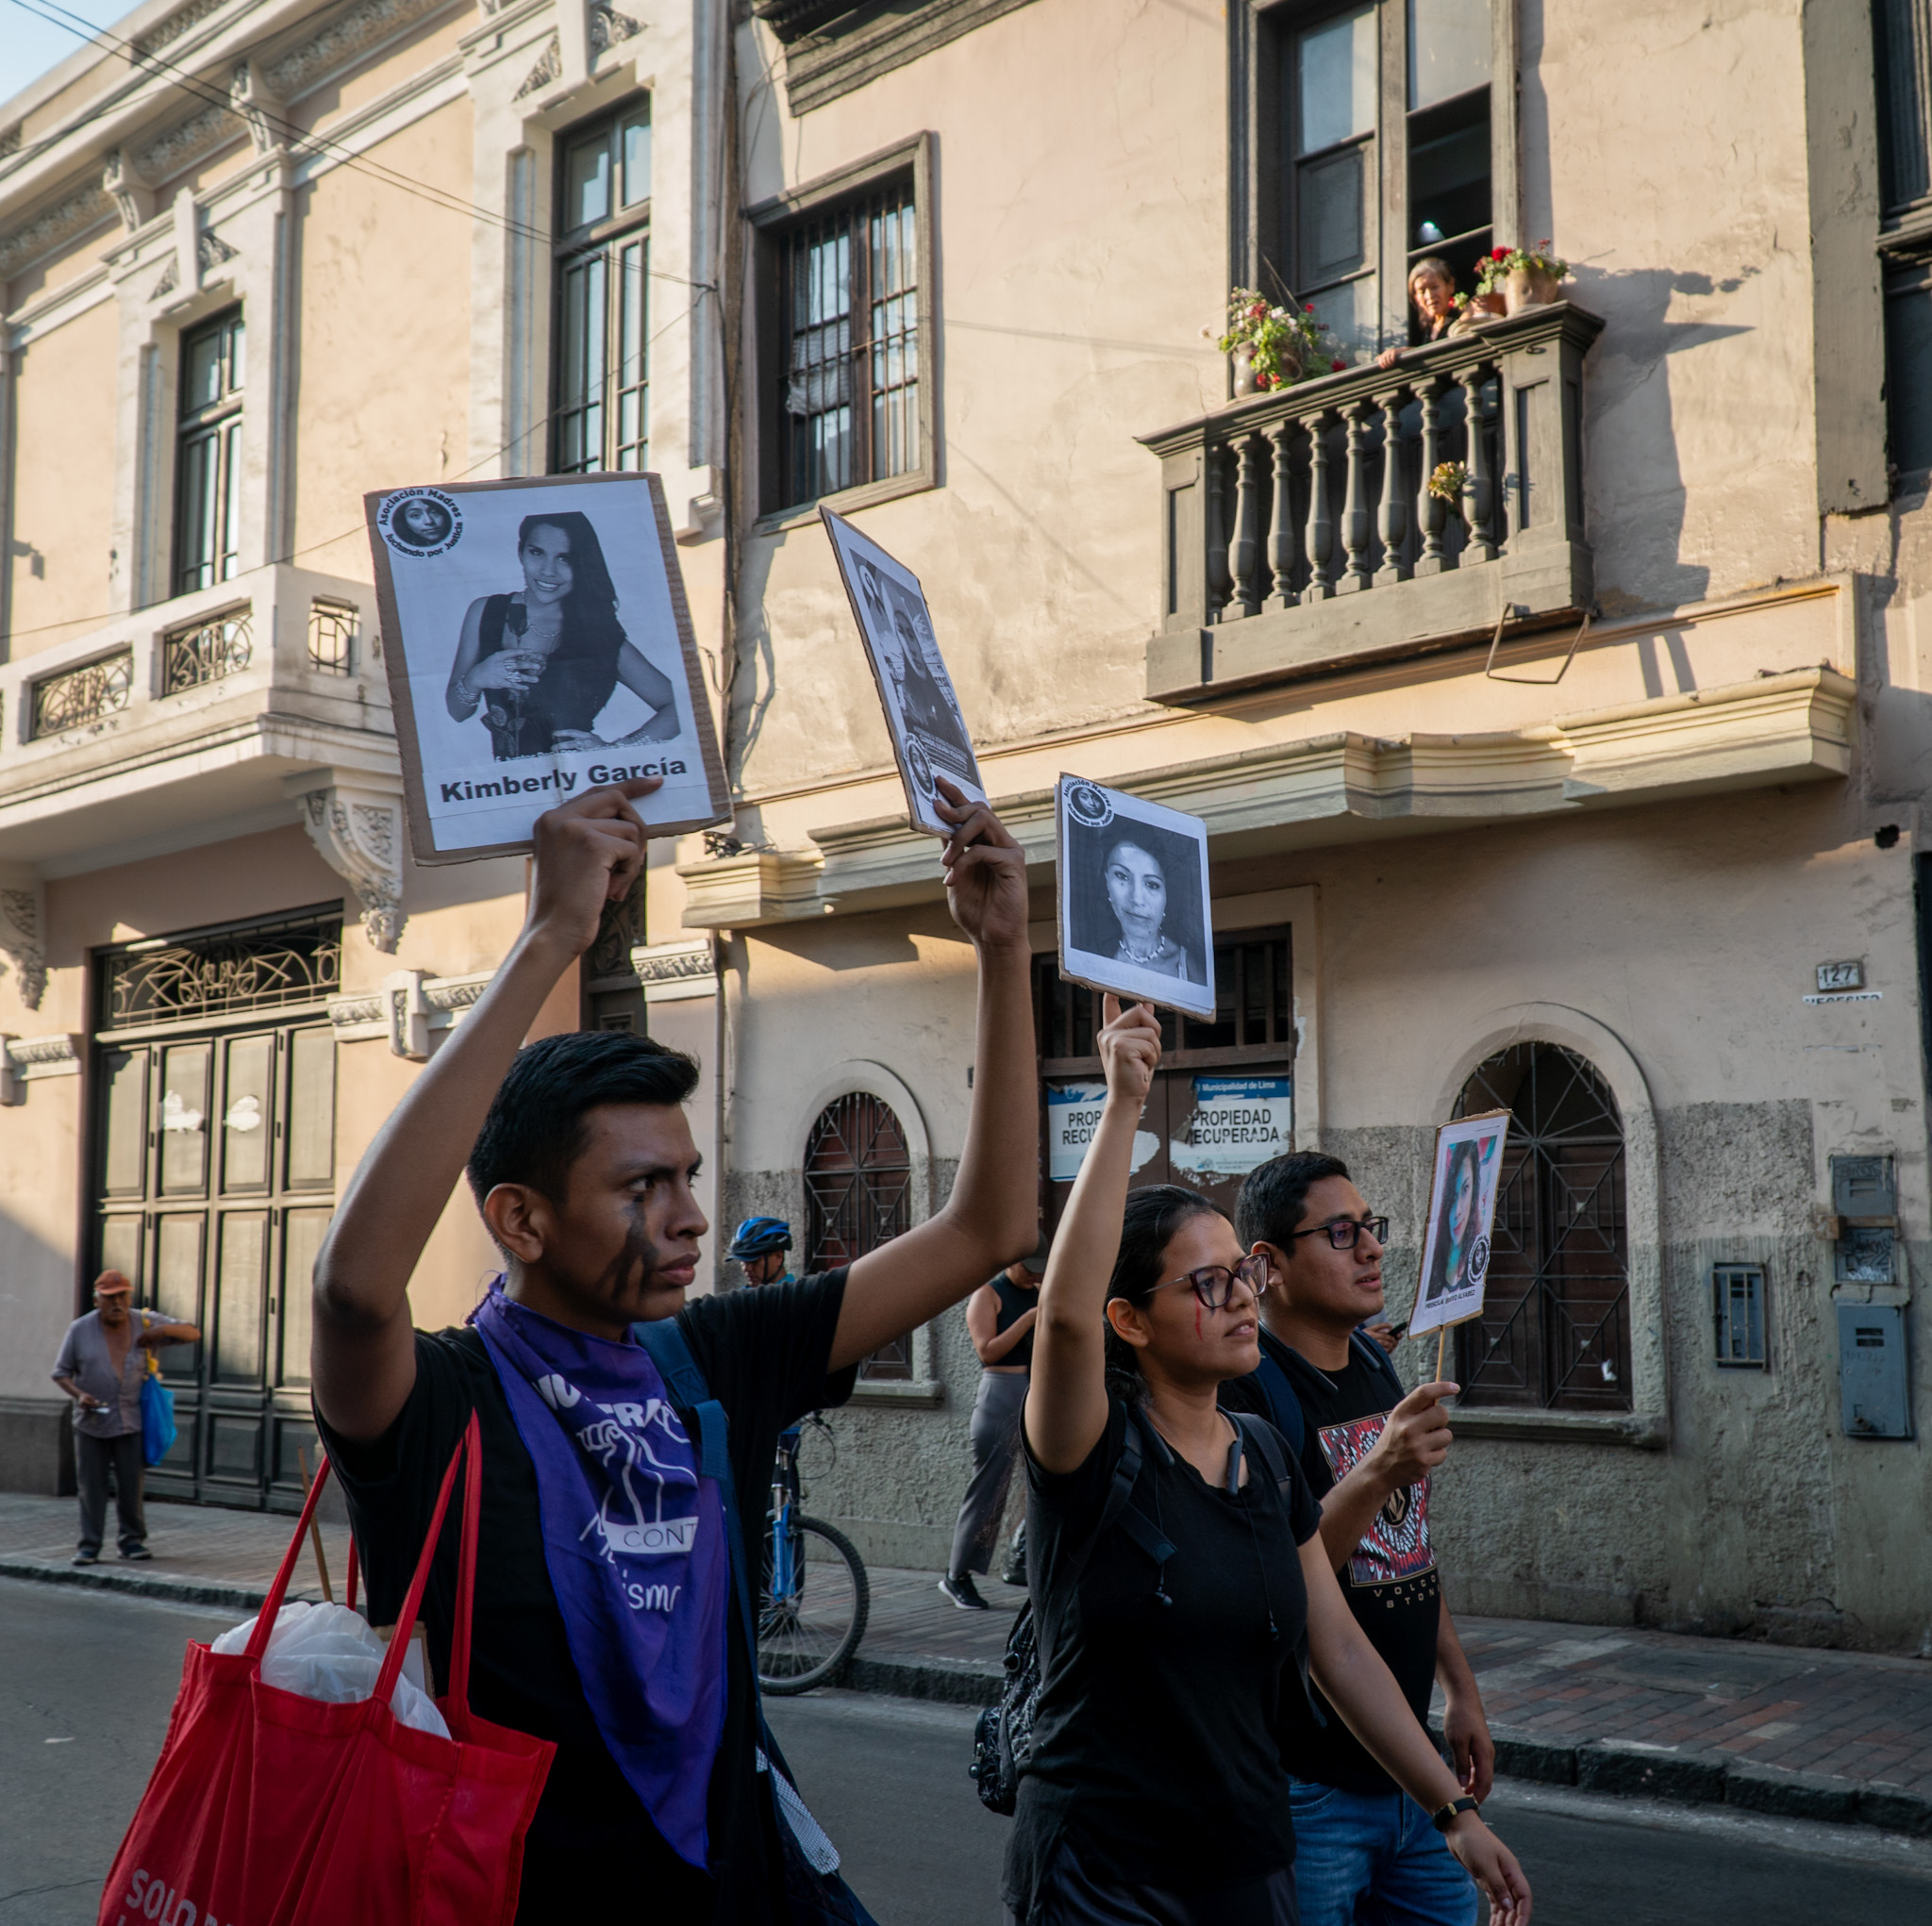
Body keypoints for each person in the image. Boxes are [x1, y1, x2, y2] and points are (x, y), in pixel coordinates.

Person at [310, 773, 1035, 1926]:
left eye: (688, 1176)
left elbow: (987, 1225)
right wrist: (552, 934)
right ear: (520, 1218)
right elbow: (352, 1288)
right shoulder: (442, 1398)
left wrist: (1004, 950)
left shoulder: (714, 1358)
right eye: (643, 1186)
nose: (689, 1215)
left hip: (736, 1883)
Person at [1008, 997, 1531, 1926]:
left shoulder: (1258, 1454)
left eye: (1239, 1276)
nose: (1240, 1299)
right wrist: (1123, 1100)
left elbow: (1333, 1645)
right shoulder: (1088, 1451)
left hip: (1248, 1861)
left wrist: (1449, 1811)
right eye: (1205, 1284)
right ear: (1127, 1319)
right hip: (1107, 1872)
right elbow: (1061, 1315)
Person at [1224, 1152, 1498, 1926]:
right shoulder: (1247, 1392)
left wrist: (1461, 1690)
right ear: (1269, 1264)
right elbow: (1283, 1580)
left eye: (1370, 1227)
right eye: (1341, 1233)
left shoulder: (1379, 1365)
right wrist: (1377, 1471)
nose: (1373, 1249)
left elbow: (1408, 1549)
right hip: (1309, 1790)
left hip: (1415, 1781)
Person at [444, 511, 680, 761]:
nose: (548, 571)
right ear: (521, 553)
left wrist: (617, 751)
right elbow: (456, 711)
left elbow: (679, 707)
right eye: (537, 553)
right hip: (511, 787)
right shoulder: (486, 612)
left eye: (564, 559)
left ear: (582, 564)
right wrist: (477, 677)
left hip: (581, 784)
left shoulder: (599, 634)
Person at [51, 1271, 199, 1566]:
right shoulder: (80, 1329)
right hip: (91, 1421)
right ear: (97, 1299)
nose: (117, 1302)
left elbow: (192, 1333)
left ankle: (131, 1541)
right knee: (91, 1487)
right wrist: (79, 1395)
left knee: (131, 1484)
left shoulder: (144, 1321)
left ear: (130, 1297)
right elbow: (61, 1373)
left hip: (131, 1419)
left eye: (122, 1295)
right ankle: (89, 1546)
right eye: (110, 1297)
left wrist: (161, 1333)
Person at [939, 1230, 1047, 1609]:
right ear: (1008, 1261)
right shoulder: (989, 1294)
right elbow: (987, 1351)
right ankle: (957, 1576)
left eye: (1038, 1271)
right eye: (1026, 1270)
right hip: (1001, 1392)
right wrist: (1030, 1319)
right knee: (989, 1491)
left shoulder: (1039, 1290)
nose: (1033, 1277)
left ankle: (1029, 1565)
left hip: (1037, 1392)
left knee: (1043, 1483)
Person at [1100, 836, 1203, 986]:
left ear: (1167, 894)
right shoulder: (1096, 958)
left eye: (1152, 885)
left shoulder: (1189, 964)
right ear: (1106, 880)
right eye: (1122, 876)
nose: (1137, 898)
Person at [1374, 257, 1500, 370]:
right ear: (1416, 298)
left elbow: (1450, 348)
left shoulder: (1463, 314)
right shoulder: (1429, 329)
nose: (1429, 296)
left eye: (1434, 287)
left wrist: (1405, 352)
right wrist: (1397, 353)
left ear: (1450, 285)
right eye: (1422, 291)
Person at [1423, 1136, 1483, 1306]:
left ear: (1474, 1190)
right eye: (1452, 1196)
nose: (1457, 1211)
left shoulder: (1476, 1258)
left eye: (1465, 1189)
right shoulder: (1435, 1264)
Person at [726, 1216, 794, 1288]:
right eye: (743, 1261)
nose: (747, 1268)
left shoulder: (796, 1296)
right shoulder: (744, 1295)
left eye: (754, 1261)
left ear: (778, 1257)